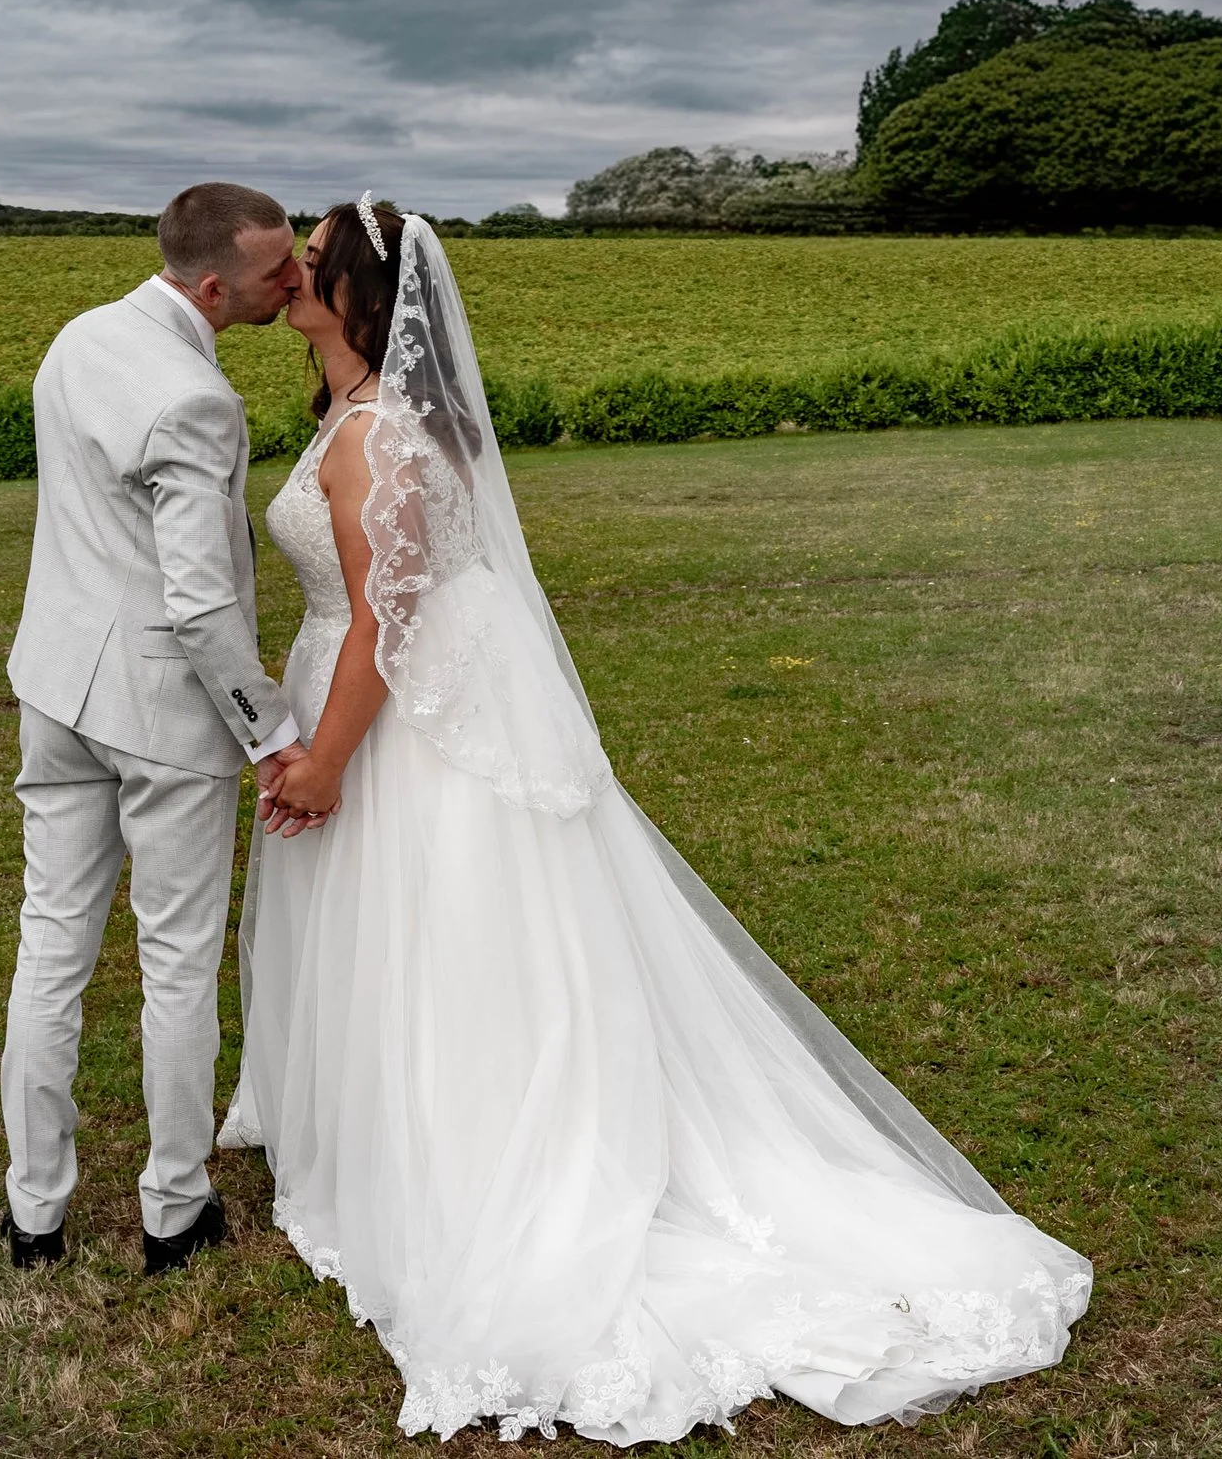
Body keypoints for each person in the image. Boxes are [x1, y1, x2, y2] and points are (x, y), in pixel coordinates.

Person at [222, 194, 1093, 1444]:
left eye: (310, 265)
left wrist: (328, 761)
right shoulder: (368, 420)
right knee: (439, 940)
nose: (290, 280)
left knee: (440, 934)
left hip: (396, 718)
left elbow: (385, 621)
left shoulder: (377, 436)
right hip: (406, 698)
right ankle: (399, 1123)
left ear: (363, 291)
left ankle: (471, 1159)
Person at [0, 181, 325, 1277]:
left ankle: (33, 1212)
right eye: (281, 268)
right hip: (159, 713)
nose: (296, 281)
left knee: (52, 943)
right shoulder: (197, 398)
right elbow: (197, 601)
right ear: (213, 284)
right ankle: (173, 1208)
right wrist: (270, 728)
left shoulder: (78, 338)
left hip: (54, 685)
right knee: (176, 957)